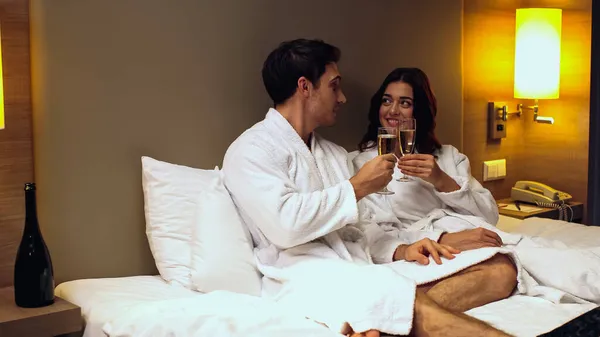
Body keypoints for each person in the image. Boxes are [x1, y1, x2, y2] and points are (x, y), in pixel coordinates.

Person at [222, 39, 515, 337]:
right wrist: (356, 187)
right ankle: (385, 319)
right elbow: (285, 225)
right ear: (305, 87)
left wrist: (401, 248)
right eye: (334, 86)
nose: (343, 98)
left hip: (361, 267)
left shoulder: (333, 154)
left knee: (499, 271)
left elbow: (358, 227)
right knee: (404, 302)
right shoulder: (251, 150)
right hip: (305, 276)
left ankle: (384, 325)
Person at [352, 67, 511, 253]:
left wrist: (441, 180)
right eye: (386, 101)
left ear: (419, 112)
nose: (392, 110)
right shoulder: (361, 165)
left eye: (405, 103)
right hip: (423, 251)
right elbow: (376, 236)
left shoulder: (449, 156)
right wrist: (443, 238)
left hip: (475, 243)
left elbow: (490, 215)